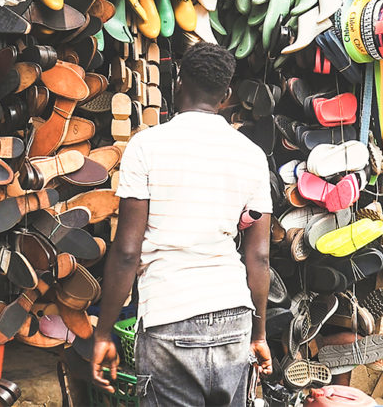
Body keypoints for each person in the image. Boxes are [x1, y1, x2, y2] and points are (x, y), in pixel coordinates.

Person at [90, 42, 274, 406]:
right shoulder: (251, 155)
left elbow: (127, 252)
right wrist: (260, 333)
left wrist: (103, 333)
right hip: (233, 315)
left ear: (178, 82)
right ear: (226, 95)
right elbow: (260, 258)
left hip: (169, 316)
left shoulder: (146, 147)